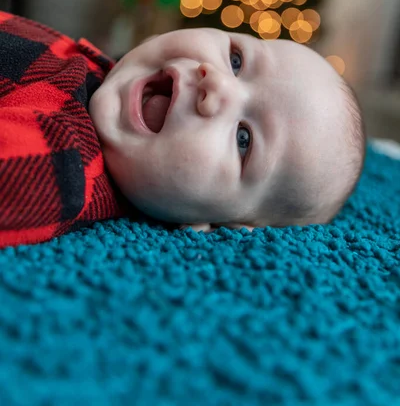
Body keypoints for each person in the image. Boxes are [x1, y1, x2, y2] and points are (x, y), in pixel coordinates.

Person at [0, 12, 366, 247]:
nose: (219, 85)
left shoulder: (59, 169)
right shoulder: (97, 72)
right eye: (236, 60)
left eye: (244, 140)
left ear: (222, 223)